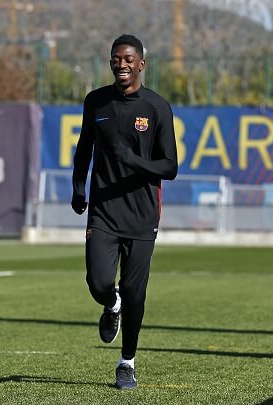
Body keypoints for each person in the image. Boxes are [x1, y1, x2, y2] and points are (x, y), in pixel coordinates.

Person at [71, 34, 177, 389]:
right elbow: (84, 148)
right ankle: (110, 302)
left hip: (143, 214)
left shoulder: (157, 107)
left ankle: (127, 362)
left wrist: (132, 160)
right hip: (103, 210)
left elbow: (170, 166)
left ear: (142, 63)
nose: (122, 64)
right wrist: (77, 187)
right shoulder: (96, 102)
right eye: (116, 58)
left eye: (129, 58)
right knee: (98, 282)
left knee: (136, 293)